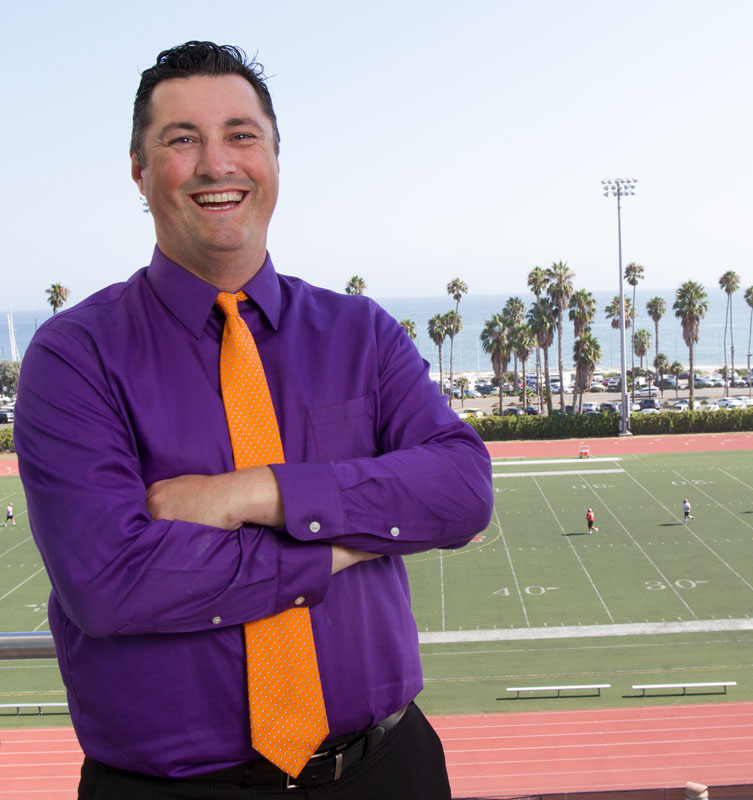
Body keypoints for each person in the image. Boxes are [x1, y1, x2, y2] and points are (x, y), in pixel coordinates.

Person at [14, 42, 493, 799]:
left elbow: (462, 490)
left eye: (241, 135)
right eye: (182, 140)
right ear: (139, 170)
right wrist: (340, 547)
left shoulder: (359, 333)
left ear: (274, 157)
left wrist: (255, 494)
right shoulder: (75, 357)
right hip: (168, 789)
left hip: (386, 771)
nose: (216, 163)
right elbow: (111, 582)